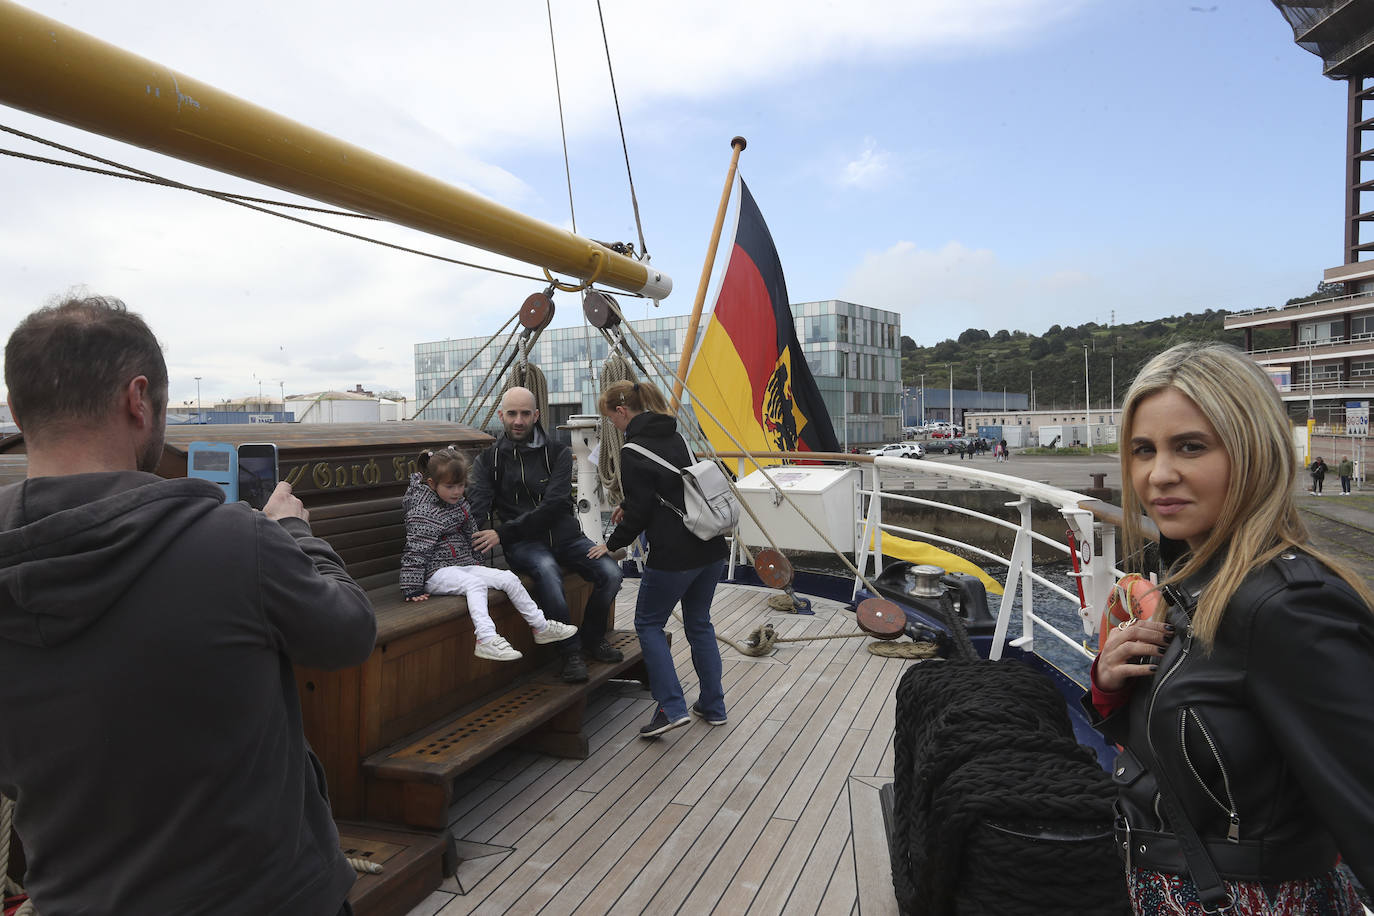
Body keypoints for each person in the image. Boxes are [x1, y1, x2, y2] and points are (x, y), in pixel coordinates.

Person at [0, 296, 377, 916]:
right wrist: (296, 535)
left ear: (16, 407)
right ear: (138, 400)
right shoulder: (236, 543)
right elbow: (348, 632)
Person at [1087, 342, 1374, 913]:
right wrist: (1109, 686)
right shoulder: (1194, 583)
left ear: (1254, 452)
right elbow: (1196, 751)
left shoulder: (1290, 608)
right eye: (1143, 450)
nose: (1158, 474)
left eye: (1190, 447)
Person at [588, 380, 728, 738]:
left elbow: (641, 512)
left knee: (648, 624)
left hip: (673, 554)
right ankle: (713, 705)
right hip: (709, 548)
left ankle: (670, 707)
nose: (613, 426)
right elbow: (669, 486)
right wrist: (627, 504)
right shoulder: (675, 436)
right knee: (699, 623)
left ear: (622, 412)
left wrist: (612, 544)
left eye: (611, 419)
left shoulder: (633, 450)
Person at [468, 386, 623, 683]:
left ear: (536, 415)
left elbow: (553, 506)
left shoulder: (558, 454)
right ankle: (570, 652)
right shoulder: (489, 461)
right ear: (501, 415)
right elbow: (477, 506)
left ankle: (591, 637)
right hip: (525, 545)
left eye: (525, 414)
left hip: (566, 538)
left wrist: (502, 532)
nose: (518, 420)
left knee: (611, 573)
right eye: (512, 413)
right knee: (548, 571)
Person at [400, 446, 577, 661]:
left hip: (460, 565)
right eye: (450, 486)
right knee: (475, 585)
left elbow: (470, 536)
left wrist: (478, 564)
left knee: (508, 578)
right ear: (432, 484)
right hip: (434, 573)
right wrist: (412, 588)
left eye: (461, 485)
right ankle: (485, 638)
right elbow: (416, 551)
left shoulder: (459, 504)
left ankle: (540, 627)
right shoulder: (424, 512)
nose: (457, 491)